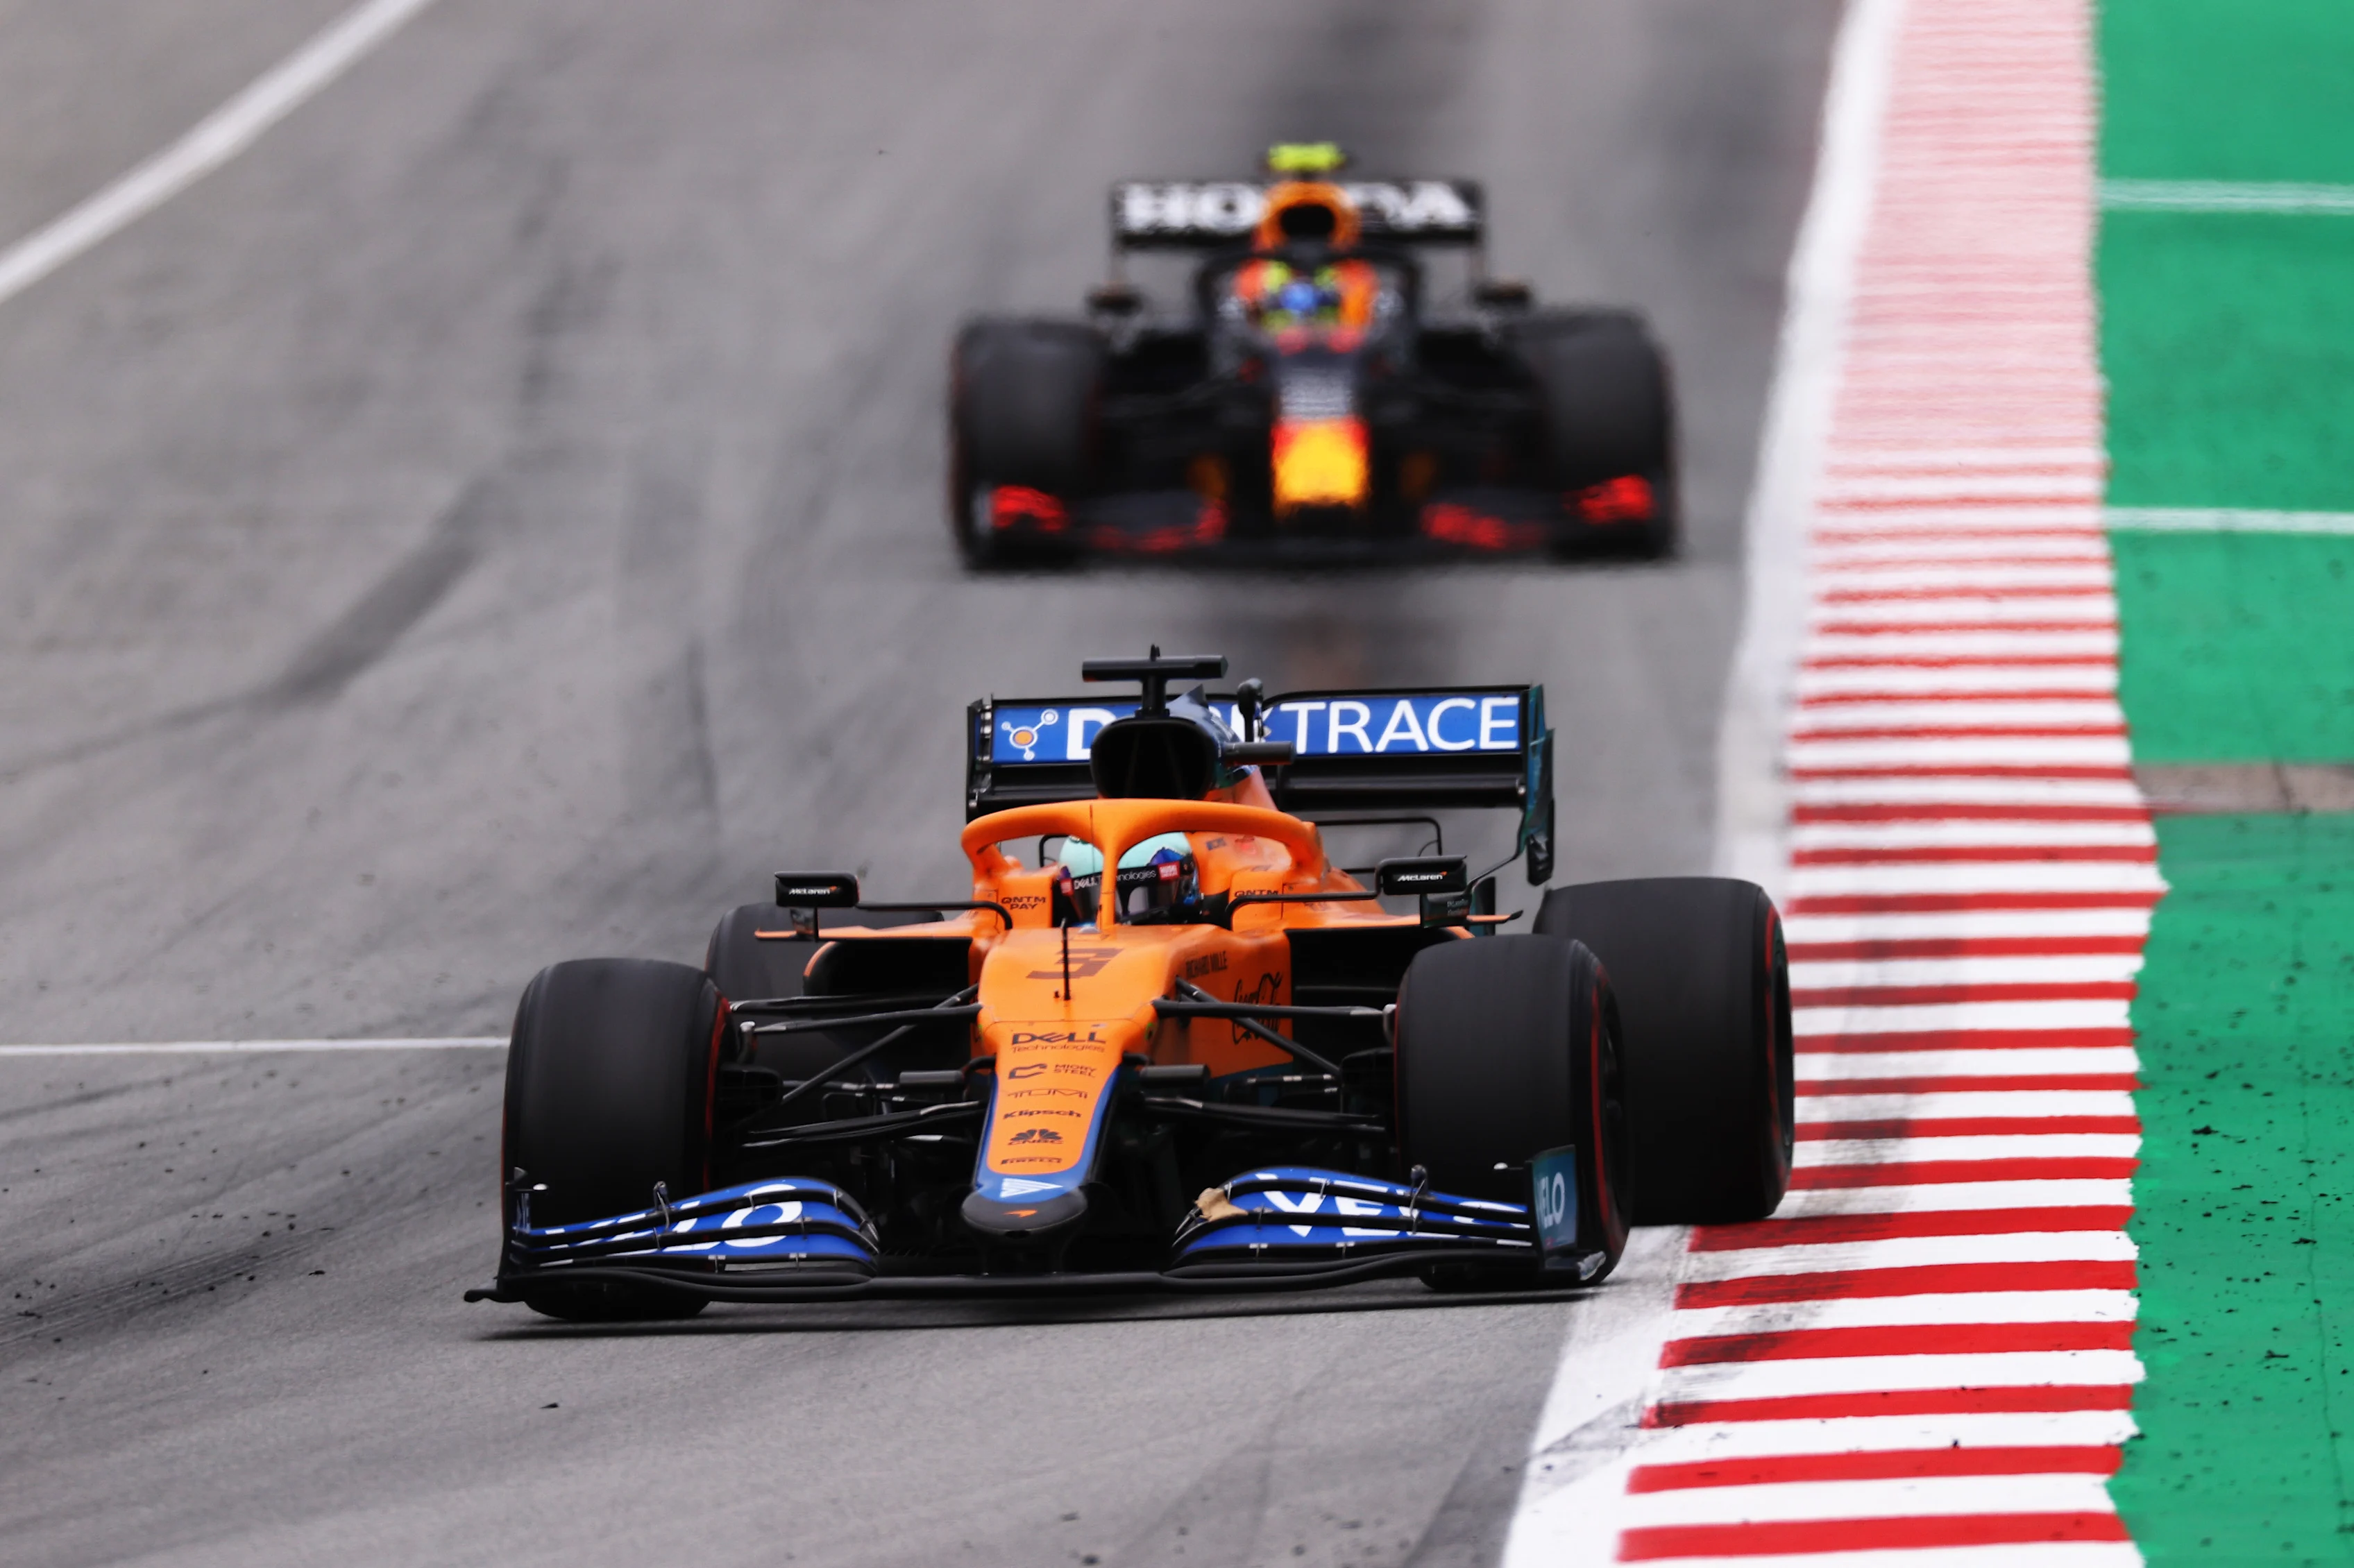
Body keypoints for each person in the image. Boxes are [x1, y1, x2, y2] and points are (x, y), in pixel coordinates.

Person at [1232, 182, 1380, 333]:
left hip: (1338, 351)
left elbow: (1361, 321)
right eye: (1294, 223)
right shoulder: (1258, 272)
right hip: (1272, 350)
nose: (1306, 233)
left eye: (1319, 223)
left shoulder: (1351, 270)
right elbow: (1243, 324)